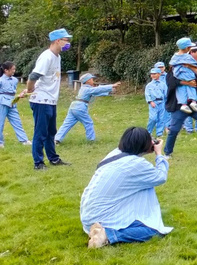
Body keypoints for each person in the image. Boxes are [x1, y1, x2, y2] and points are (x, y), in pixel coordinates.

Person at [80, 127, 172, 248]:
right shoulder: (137, 164)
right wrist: (159, 154)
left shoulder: (114, 154)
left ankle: (102, 232)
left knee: (144, 187)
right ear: (143, 144)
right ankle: (108, 235)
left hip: (89, 217)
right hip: (102, 219)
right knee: (154, 231)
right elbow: (160, 177)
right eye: (150, 140)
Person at [25, 28, 73, 170]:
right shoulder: (46, 57)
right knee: (40, 133)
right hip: (41, 100)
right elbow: (34, 76)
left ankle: (53, 158)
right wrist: (29, 89)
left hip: (51, 100)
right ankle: (38, 163)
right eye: (66, 40)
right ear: (58, 41)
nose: (68, 43)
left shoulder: (57, 57)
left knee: (51, 132)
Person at [54, 73, 121, 144]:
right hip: (80, 107)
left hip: (73, 107)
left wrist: (110, 92)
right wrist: (112, 86)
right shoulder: (87, 89)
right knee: (88, 123)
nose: (93, 80)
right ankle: (91, 140)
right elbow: (98, 89)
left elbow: (96, 92)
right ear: (88, 81)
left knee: (67, 124)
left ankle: (57, 139)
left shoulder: (84, 88)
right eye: (92, 79)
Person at [0, 61, 31, 147]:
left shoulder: (15, 80)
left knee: (17, 121)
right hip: (2, 103)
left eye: (14, 69)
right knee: (0, 123)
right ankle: (0, 142)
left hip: (13, 102)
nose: (14, 71)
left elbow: (12, 92)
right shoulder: (1, 80)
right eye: (12, 69)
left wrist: (20, 95)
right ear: (6, 70)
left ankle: (24, 140)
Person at [169, 38, 197, 114]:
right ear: (187, 48)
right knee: (192, 87)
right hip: (189, 75)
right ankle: (193, 101)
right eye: (189, 47)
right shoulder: (188, 57)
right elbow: (195, 65)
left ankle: (183, 104)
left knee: (181, 90)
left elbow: (171, 65)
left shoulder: (174, 57)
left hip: (179, 76)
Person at [145, 68, 167, 139]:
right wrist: (150, 101)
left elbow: (166, 94)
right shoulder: (149, 85)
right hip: (153, 103)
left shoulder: (163, 84)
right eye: (152, 74)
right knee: (153, 118)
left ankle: (159, 133)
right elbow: (147, 94)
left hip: (162, 102)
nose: (153, 75)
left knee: (161, 118)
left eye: (155, 74)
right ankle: (148, 132)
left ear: (159, 74)